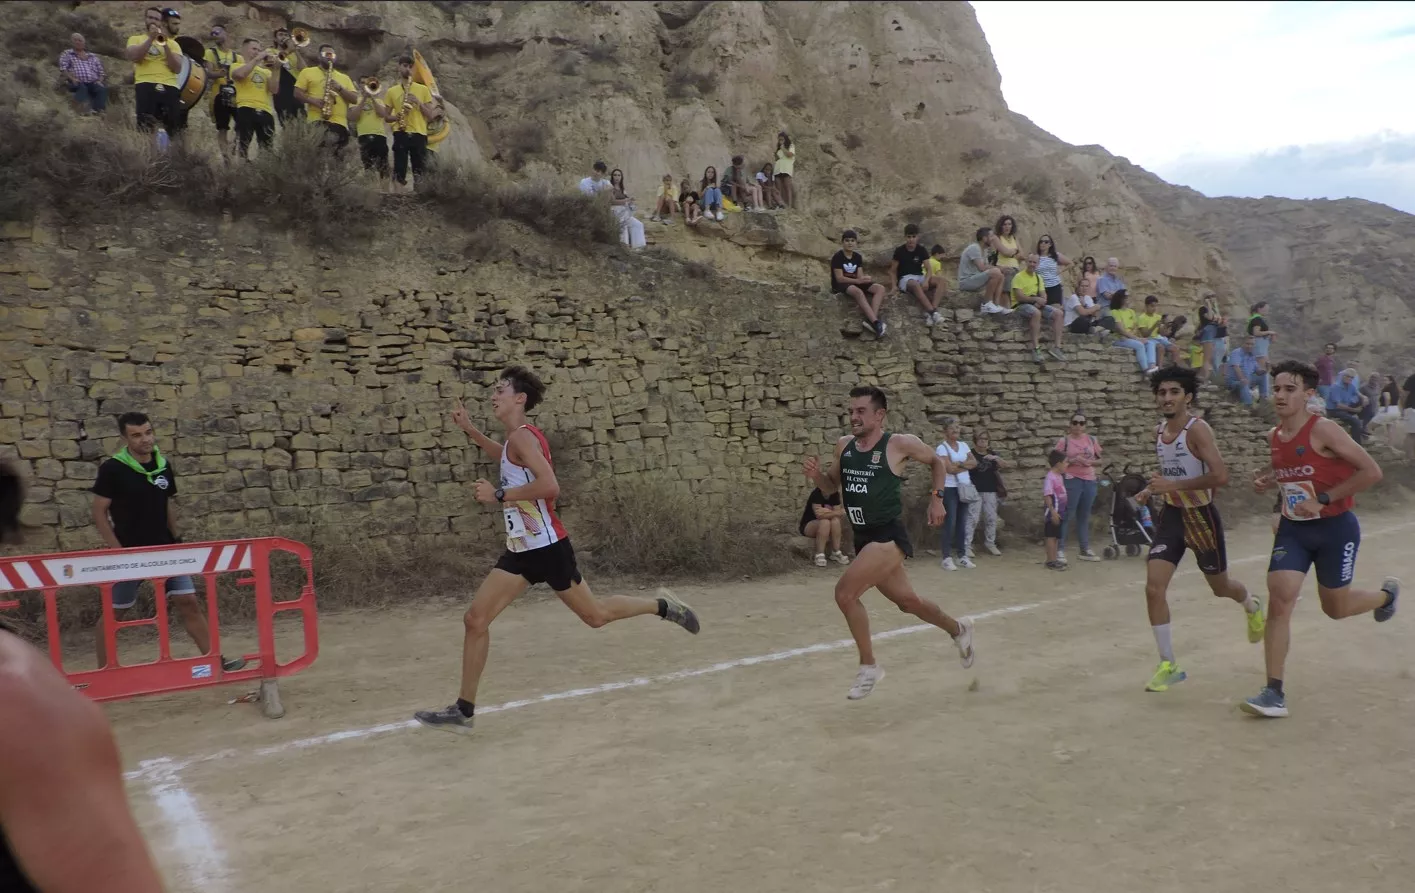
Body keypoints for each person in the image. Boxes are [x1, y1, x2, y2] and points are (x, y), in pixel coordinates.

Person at [414, 367, 700, 733]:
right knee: (475, 620)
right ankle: (463, 711)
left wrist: (498, 495)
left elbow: (550, 486)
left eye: (500, 389)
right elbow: (505, 457)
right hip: (521, 549)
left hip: (548, 547)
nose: (493, 395)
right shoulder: (517, 440)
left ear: (519, 399)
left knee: (595, 616)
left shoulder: (523, 437)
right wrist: (470, 430)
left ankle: (664, 607)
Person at [1244, 360, 1400, 718]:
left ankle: (1385, 596)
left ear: (1309, 394)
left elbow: (1371, 471)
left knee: (1336, 608)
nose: (1280, 395)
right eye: (1277, 388)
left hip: (1335, 528)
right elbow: (1293, 473)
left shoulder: (1325, 430)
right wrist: (1269, 480)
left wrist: (1325, 499)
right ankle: (1273, 692)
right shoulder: (1273, 436)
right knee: (1280, 600)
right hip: (1294, 529)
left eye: (1290, 389)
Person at [802, 386, 974, 699]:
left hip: (888, 536)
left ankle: (869, 666)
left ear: (879, 415)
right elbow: (830, 487)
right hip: (864, 538)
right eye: (851, 410)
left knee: (845, 594)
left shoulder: (898, 443)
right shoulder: (845, 446)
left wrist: (936, 500)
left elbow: (937, 463)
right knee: (909, 603)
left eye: (861, 411)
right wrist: (816, 476)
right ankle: (958, 630)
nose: (853, 416)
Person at [1131, 366, 1264, 693]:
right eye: (1162, 392)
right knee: (1153, 587)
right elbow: (1171, 472)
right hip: (1172, 518)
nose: (1166, 398)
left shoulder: (1198, 430)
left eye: (1174, 392)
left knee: (1220, 588)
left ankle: (1250, 604)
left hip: (1202, 518)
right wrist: (1153, 489)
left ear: (1187, 397)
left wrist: (1172, 484)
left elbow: (1220, 476)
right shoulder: (1158, 431)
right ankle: (1168, 664)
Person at [89, 413, 246, 675]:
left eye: (148, 432)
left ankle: (214, 662)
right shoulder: (113, 469)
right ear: (124, 438)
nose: (145, 439)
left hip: (167, 550)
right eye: (137, 435)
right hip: (130, 553)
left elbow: (166, 504)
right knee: (115, 613)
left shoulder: (162, 465)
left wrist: (177, 539)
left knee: (189, 603)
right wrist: (116, 551)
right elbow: (98, 512)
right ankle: (103, 673)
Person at [124, 6, 183, 134]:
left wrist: (165, 44)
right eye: (150, 17)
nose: (153, 21)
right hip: (146, 84)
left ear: (161, 22)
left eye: (156, 19)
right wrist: (150, 38)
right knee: (145, 127)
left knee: (172, 128)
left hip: (169, 85)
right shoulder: (135, 39)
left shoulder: (173, 44)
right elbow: (135, 57)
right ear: (145, 19)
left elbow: (177, 68)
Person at [382, 56, 438, 187]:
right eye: (405, 66)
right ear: (399, 67)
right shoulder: (391, 91)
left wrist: (418, 103)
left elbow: (430, 116)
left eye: (410, 67)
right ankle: (398, 197)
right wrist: (398, 117)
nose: (407, 69)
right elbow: (386, 117)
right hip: (400, 132)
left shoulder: (423, 89)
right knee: (399, 168)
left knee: (420, 169)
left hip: (419, 133)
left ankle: (421, 197)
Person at [1053, 413, 1101, 562]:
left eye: (1081, 423)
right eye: (1075, 423)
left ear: (1085, 425)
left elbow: (1100, 460)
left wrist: (1089, 462)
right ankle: (1059, 549)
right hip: (1072, 480)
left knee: (1084, 515)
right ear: (1070, 425)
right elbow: (1055, 460)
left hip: (1089, 480)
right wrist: (1073, 460)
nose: (1078, 426)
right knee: (1067, 514)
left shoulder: (1092, 440)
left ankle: (1084, 549)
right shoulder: (1064, 441)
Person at [294, 44, 360, 152]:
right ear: (319, 56)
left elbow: (354, 99)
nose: (330, 56)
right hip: (316, 121)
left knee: (337, 161)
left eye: (332, 54)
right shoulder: (307, 72)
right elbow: (297, 93)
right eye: (326, 54)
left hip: (340, 125)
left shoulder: (344, 78)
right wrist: (313, 101)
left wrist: (340, 88)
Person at [830, 230, 888, 338]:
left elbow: (859, 276)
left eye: (852, 240)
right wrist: (857, 281)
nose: (850, 243)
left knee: (880, 289)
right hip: (841, 284)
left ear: (856, 243)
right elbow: (840, 278)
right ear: (842, 242)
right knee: (858, 292)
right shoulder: (838, 257)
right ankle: (876, 323)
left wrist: (866, 278)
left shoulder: (857, 257)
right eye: (847, 241)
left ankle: (872, 320)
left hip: (855, 281)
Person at [934, 418, 975, 571]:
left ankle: (962, 556)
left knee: (962, 523)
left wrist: (959, 464)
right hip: (950, 488)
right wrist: (966, 466)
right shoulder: (942, 448)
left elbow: (974, 463)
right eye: (952, 428)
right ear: (946, 431)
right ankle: (946, 557)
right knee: (950, 523)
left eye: (957, 427)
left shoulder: (964, 445)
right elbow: (949, 469)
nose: (956, 430)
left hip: (964, 487)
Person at [229, 40, 279, 159]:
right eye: (254, 49)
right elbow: (240, 75)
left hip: (266, 111)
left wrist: (276, 70)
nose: (257, 52)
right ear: (245, 50)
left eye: (259, 49)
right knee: (243, 146)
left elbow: (274, 90)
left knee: (267, 149)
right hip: (246, 108)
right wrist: (257, 59)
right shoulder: (236, 65)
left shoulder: (266, 71)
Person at [1012, 254, 1065, 362]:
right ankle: (1036, 348)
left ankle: (1057, 347)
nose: (1032, 264)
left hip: (1035, 303)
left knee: (1059, 313)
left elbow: (1043, 295)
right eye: (1030, 262)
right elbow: (1019, 296)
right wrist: (1035, 300)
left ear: (1038, 264)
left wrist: (1040, 302)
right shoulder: (1019, 276)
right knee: (1036, 313)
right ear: (1026, 262)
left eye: (1034, 262)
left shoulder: (1038, 277)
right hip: (1021, 305)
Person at [890, 224, 942, 325]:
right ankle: (932, 312)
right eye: (909, 237)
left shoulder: (921, 250)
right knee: (914, 284)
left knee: (941, 281)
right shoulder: (899, 251)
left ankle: (933, 310)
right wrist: (893, 286)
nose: (911, 239)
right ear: (905, 237)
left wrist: (926, 281)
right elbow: (892, 271)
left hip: (919, 276)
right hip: (905, 279)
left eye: (913, 237)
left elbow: (929, 269)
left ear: (917, 237)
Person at [964, 430, 1005, 557]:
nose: (983, 441)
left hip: (990, 490)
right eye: (981, 439)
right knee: (972, 518)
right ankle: (967, 546)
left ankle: (990, 543)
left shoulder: (992, 454)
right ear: (975, 440)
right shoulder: (971, 454)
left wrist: (996, 458)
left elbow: (1005, 465)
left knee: (991, 518)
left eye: (986, 439)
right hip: (974, 490)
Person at [205, 25, 242, 154]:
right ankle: (226, 157)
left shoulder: (238, 57)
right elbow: (208, 73)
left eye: (217, 32)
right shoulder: (210, 53)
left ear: (226, 33)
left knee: (241, 124)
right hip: (218, 95)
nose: (214, 35)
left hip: (235, 95)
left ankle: (234, 145)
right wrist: (219, 74)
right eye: (212, 33)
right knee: (222, 128)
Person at [799, 484, 849, 568]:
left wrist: (827, 512)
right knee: (825, 522)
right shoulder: (816, 493)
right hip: (809, 525)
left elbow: (837, 515)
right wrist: (835, 512)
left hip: (828, 525)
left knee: (835, 521)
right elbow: (819, 515)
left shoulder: (835, 494)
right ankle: (819, 554)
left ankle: (836, 552)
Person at [351, 73, 390, 178]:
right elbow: (354, 117)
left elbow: (382, 114)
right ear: (359, 85)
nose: (365, 85)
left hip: (379, 136)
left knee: (384, 168)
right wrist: (364, 99)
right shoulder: (355, 101)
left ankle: (385, 192)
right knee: (368, 167)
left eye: (367, 83)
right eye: (362, 83)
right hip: (363, 136)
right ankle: (371, 190)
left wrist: (372, 98)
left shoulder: (379, 101)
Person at [58, 32, 108, 115]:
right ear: (71, 42)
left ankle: (98, 111)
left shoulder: (93, 56)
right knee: (82, 87)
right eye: (75, 40)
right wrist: (72, 78)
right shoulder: (67, 54)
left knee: (101, 89)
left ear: (84, 43)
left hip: (92, 82)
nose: (78, 42)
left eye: (80, 40)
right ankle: (78, 109)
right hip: (75, 81)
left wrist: (100, 80)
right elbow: (63, 68)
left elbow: (101, 72)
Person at [959, 226, 1006, 312]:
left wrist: (1000, 269)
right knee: (996, 272)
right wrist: (998, 268)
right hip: (966, 281)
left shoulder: (984, 250)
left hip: (975, 279)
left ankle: (996, 305)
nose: (993, 239)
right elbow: (982, 268)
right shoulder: (975, 248)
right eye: (991, 236)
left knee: (1001, 276)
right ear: (984, 238)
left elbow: (987, 266)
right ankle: (986, 304)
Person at [270, 27, 308, 124]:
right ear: (275, 39)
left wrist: (295, 51)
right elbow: (276, 64)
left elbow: (304, 70)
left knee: (302, 121)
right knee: (286, 122)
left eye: (286, 35)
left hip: (295, 89)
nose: (284, 37)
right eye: (280, 35)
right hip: (281, 90)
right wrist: (288, 50)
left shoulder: (293, 54)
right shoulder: (270, 51)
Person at [608, 168, 647, 249]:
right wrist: (626, 200)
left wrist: (630, 201)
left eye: (619, 175)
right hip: (615, 212)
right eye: (615, 175)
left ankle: (639, 248)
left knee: (638, 224)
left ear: (621, 177)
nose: (617, 177)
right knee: (624, 224)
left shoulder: (623, 189)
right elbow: (612, 201)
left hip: (625, 212)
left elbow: (627, 201)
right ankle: (624, 247)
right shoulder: (610, 187)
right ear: (612, 176)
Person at [1042, 449, 1068, 571]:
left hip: (1060, 511)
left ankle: (1053, 559)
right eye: (1065, 462)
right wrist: (1053, 512)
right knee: (1051, 536)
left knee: (1056, 536)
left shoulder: (1059, 476)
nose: (1067, 464)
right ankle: (1051, 561)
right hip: (1053, 512)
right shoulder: (1050, 477)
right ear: (1058, 464)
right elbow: (1047, 495)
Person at [1246, 301, 1276, 393]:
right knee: (1262, 368)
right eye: (1265, 309)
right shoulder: (1257, 319)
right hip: (1259, 347)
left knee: (1265, 366)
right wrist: (1269, 332)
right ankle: (1259, 390)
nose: (1267, 311)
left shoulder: (1256, 318)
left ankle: (1261, 389)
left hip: (1262, 346)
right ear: (1259, 309)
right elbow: (1256, 333)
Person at [773, 131, 795, 208]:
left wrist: (783, 148)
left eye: (782, 139)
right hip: (778, 169)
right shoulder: (778, 149)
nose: (780, 141)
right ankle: (781, 204)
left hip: (786, 168)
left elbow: (790, 155)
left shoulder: (791, 146)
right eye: (779, 140)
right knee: (779, 188)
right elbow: (776, 159)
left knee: (787, 187)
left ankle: (789, 205)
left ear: (785, 139)